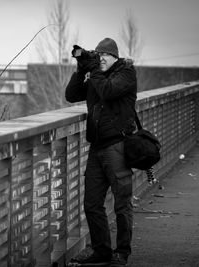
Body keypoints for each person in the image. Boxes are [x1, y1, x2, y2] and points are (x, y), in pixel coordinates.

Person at [65, 37, 137, 266]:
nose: (102, 59)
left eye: (106, 55)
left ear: (115, 57)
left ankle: (122, 252)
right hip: (96, 149)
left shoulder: (125, 74)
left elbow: (107, 91)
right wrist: (80, 68)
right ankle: (102, 251)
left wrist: (94, 69)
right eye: (99, 55)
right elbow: (71, 95)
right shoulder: (95, 75)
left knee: (121, 203)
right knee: (91, 203)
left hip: (118, 147)